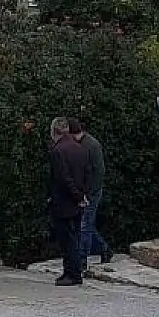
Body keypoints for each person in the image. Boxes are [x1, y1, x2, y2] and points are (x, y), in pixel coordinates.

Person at [47, 117, 90, 287]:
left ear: (54, 131)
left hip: (64, 201)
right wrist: (83, 195)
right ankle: (72, 271)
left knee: (67, 239)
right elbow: (88, 174)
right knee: (76, 236)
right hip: (78, 201)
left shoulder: (58, 151)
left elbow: (63, 178)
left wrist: (77, 196)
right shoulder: (81, 148)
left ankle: (72, 273)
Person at [68, 117, 113, 271]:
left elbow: (98, 172)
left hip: (91, 192)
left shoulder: (92, 145)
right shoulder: (81, 144)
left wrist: (88, 193)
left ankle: (82, 260)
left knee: (85, 224)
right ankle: (103, 248)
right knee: (85, 224)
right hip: (83, 192)